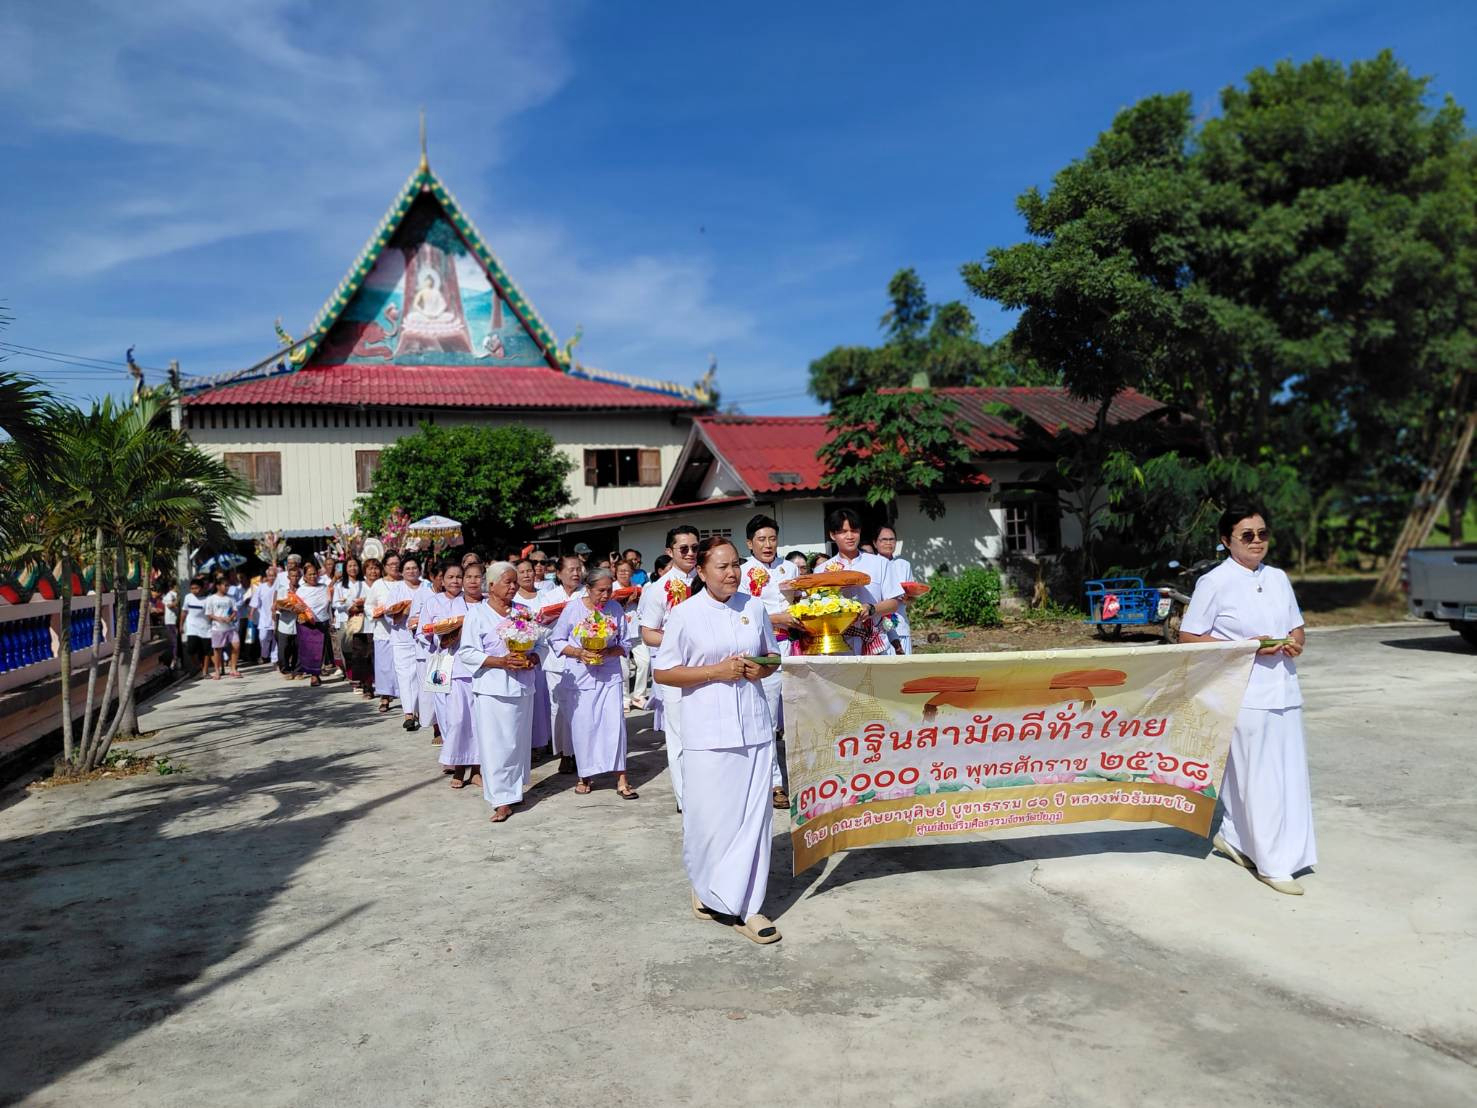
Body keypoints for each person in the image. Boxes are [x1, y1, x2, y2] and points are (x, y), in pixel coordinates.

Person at [1179, 504, 1314, 896]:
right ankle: (1271, 863)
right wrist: (1247, 647)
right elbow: (1190, 637)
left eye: (1263, 533)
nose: (1257, 541)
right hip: (1243, 691)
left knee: (1287, 776)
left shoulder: (1278, 578)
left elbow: (1297, 627)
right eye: (1247, 535)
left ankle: (1237, 839)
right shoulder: (1214, 582)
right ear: (1227, 541)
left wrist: (1294, 644)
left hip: (1284, 691)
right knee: (1257, 779)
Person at [655, 537, 781, 944]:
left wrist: (758, 671)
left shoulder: (754, 607)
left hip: (756, 729)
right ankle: (706, 884)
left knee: (754, 819)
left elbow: (772, 655)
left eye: (735, 566)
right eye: (722, 566)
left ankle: (747, 906)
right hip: (708, 731)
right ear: (703, 572)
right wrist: (715, 672)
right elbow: (664, 672)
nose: (731, 573)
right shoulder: (686, 614)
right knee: (712, 819)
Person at [457, 561, 540, 823]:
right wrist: (501, 661)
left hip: (522, 685)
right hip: (492, 689)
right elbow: (468, 652)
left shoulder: (523, 611)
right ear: (491, 585)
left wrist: (534, 657)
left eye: (515, 582)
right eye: (508, 582)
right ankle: (500, 800)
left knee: (517, 743)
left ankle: (514, 791)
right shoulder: (477, 614)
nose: (514, 586)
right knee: (496, 746)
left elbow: (541, 642)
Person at [550, 567, 638, 799]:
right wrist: (579, 652)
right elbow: (556, 640)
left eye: (609, 590)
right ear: (588, 589)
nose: (606, 595)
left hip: (608, 675)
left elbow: (626, 642)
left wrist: (609, 651)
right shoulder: (573, 608)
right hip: (580, 677)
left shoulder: (615, 608)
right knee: (584, 727)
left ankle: (621, 778)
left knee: (615, 726)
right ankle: (585, 776)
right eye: (601, 590)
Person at [638, 525, 700, 811]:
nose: (690, 553)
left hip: (706, 668)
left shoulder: (707, 580)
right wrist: (680, 640)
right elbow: (648, 633)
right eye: (683, 548)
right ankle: (685, 797)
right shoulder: (657, 589)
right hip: (674, 669)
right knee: (678, 736)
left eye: (694, 548)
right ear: (669, 552)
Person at [740, 513, 799, 807]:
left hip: (794, 647)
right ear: (750, 543)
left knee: (795, 717)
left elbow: (799, 602)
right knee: (767, 720)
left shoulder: (789, 567)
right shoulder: (742, 572)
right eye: (761, 539)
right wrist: (778, 618)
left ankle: (802, 780)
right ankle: (775, 783)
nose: (767, 544)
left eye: (772, 538)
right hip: (766, 651)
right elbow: (743, 614)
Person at [809, 508, 902, 656]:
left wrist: (872, 609)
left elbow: (895, 602)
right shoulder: (821, 570)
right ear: (833, 535)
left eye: (854, 530)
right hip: (839, 647)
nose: (850, 536)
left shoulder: (880, 564)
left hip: (874, 644)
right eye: (843, 531)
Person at [421, 561, 474, 785]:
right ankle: (452, 758)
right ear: (441, 581)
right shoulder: (432, 602)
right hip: (440, 661)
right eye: (450, 577)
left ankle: (472, 761)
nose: (454, 581)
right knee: (447, 716)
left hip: (465, 663)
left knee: (466, 715)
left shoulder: (470, 602)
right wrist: (439, 634)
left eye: (458, 577)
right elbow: (422, 632)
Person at [540, 553, 586, 772]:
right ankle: (564, 754)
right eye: (571, 569)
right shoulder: (549, 597)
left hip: (584, 661)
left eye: (579, 569)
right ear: (559, 573)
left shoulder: (586, 594)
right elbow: (541, 627)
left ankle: (581, 751)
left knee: (581, 709)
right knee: (558, 710)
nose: (576, 573)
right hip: (556, 662)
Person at [512, 559, 555, 755]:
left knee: (547, 698)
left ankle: (548, 738)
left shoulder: (546, 596)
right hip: (525, 653)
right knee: (533, 700)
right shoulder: (515, 602)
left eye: (529, 570)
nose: (527, 575)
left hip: (546, 649)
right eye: (522, 572)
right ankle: (533, 743)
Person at [391, 555, 429, 731]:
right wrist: (405, 610)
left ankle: (421, 711)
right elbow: (389, 613)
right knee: (405, 676)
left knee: (420, 675)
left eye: (414, 568)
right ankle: (408, 713)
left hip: (424, 639)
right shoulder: (397, 588)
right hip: (401, 639)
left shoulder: (427, 586)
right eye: (407, 568)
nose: (411, 571)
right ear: (402, 572)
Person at [368, 552, 401, 713]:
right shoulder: (378, 585)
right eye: (391, 564)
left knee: (401, 666)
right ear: (385, 567)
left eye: (397, 563)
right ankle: (385, 696)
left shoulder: (406, 582)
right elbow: (369, 605)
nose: (395, 567)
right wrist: (376, 612)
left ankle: (406, 697)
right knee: (384, 666)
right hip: (383, 631)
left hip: (403, 632)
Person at [874, 526, 913, 655]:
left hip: (900, 625)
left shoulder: (904, 565)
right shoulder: (871, 564)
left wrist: (908, 597)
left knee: (905, 670)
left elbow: (911, 598)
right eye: (884, 540)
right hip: (878, 630)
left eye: (892, 539)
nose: (888, 543)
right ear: (875, 543)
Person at [293, 560, 332, 687]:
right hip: (306, 623)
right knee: (308, 650)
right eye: (309, 574)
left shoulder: (324, 588)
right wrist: (299, 612)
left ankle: (316, 674)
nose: (312, 576)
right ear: (304, 577)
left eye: (314, 574)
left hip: (321, 621)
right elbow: (296, 606)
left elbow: (329, 602)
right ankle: (313, 674)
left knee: (319, 650)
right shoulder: (301, 590)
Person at [615, 559, 648, 710]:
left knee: (645, 662)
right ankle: (624, 698)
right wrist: (628, 601)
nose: (623, 573)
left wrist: (638, 599)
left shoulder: (638, 587)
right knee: (624, 669)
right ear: (615, 572)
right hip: (620, 635)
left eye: (627, 570)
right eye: (620, 570)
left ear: (632, 573)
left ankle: (639, 695)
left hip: (636, 631)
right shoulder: (612, 588)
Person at [336, 556, 369, 692]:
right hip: (344, 620)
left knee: (360, 650)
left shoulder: (365, 583)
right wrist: (348, 606)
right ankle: (352, 677)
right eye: (349, 566)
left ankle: (360, 680)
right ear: (345, 568)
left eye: (355, 565)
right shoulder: (340, 585)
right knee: (347, 650)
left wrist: (361, 606)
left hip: (361, 620)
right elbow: (335, 604)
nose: (353, 568)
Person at [350, 558, 379, 697]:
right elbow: (350, 606)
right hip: (362, 626)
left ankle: (380, 685)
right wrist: (362, 604)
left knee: (377, 657)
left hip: (378, 626)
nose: (373, 571)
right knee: (362, 657)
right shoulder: (358, 586)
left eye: (376, 568)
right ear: (365, 571)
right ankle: (367, 686)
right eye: (370, 568)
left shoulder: (382, 585)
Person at [273, 563, 303, 678]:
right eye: (293, 576)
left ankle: (298, 670)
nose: (295, 578)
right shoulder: (282, 590)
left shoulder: (303, 590)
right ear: (288, 577)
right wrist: (291, 608)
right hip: (285, 623)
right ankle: (286, 670)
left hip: (299, 623)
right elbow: (278, 605)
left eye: (297, 576)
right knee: (283, 650)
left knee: (298, 649)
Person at [204, 575, 236, 680]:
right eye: (225, 585)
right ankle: (217, 671)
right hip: (217, 628)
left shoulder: (230, 598)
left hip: (230, 627)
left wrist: (230, 618)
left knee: (236, 645)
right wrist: (219, 619)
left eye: (228, 586)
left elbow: (235, 610)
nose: (227, 587)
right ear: (218, 586)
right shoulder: (211, 598)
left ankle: (233, 669)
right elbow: (209, 614)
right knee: (217, 650)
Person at [181, 575, 211, 678]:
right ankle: (198, 666)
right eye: (192, 588)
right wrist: (180, 625)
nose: (194, 590)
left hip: (206, 628)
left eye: (196, 588)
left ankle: (205, 671)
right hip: (192, 628)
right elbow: (184, 612)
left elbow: (210, 614)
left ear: (202, 588)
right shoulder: (188, 597)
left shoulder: (207, 600)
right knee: (190, 650)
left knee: (206, 651)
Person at [249, 565, 279, 668]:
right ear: (267, 576)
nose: (272, 578)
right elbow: (254, 601)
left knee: (276, 638)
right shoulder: (261, 587)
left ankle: (275, 659)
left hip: (276, 617)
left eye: (274, 576)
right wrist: (251, 614)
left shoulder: (279, 587)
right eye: (270, 576)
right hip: (264, 617)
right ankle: (264, 655)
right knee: (263, 637)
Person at [225, 570, 246, 675]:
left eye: (235, 575)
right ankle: (226, 658)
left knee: (235, 640)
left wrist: (234, 607)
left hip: (234, 617)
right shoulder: (221, 589)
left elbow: (241, 600)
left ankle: (233, 661)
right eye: (232, 575)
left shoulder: (236, 589)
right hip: (223, 617)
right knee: (225, 641)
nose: (234, 577)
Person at [160, 580, 180, 672]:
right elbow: (170, 605)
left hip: (173, 620)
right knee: (174, 641)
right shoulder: (170, 595)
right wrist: (177, 601)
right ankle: (174, 659)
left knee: (175, 641)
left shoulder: (172, 595)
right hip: (171, 621)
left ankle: (175, 659)